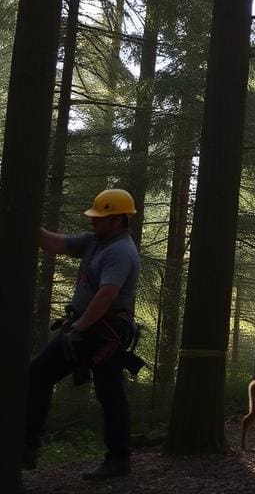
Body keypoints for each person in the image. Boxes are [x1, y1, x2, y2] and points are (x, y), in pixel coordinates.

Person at [23, 188, 142, 481]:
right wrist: (25, 222)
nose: (93, 222)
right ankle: (26, 446)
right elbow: (53, 243)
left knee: (110, 394)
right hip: (86, 329)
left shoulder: (121, 251)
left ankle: (118, 460)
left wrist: (79, 327)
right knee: (38, 372)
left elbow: (107, 294)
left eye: (100, 218)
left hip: (104, 333)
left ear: (117, 220)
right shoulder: (95, 242)